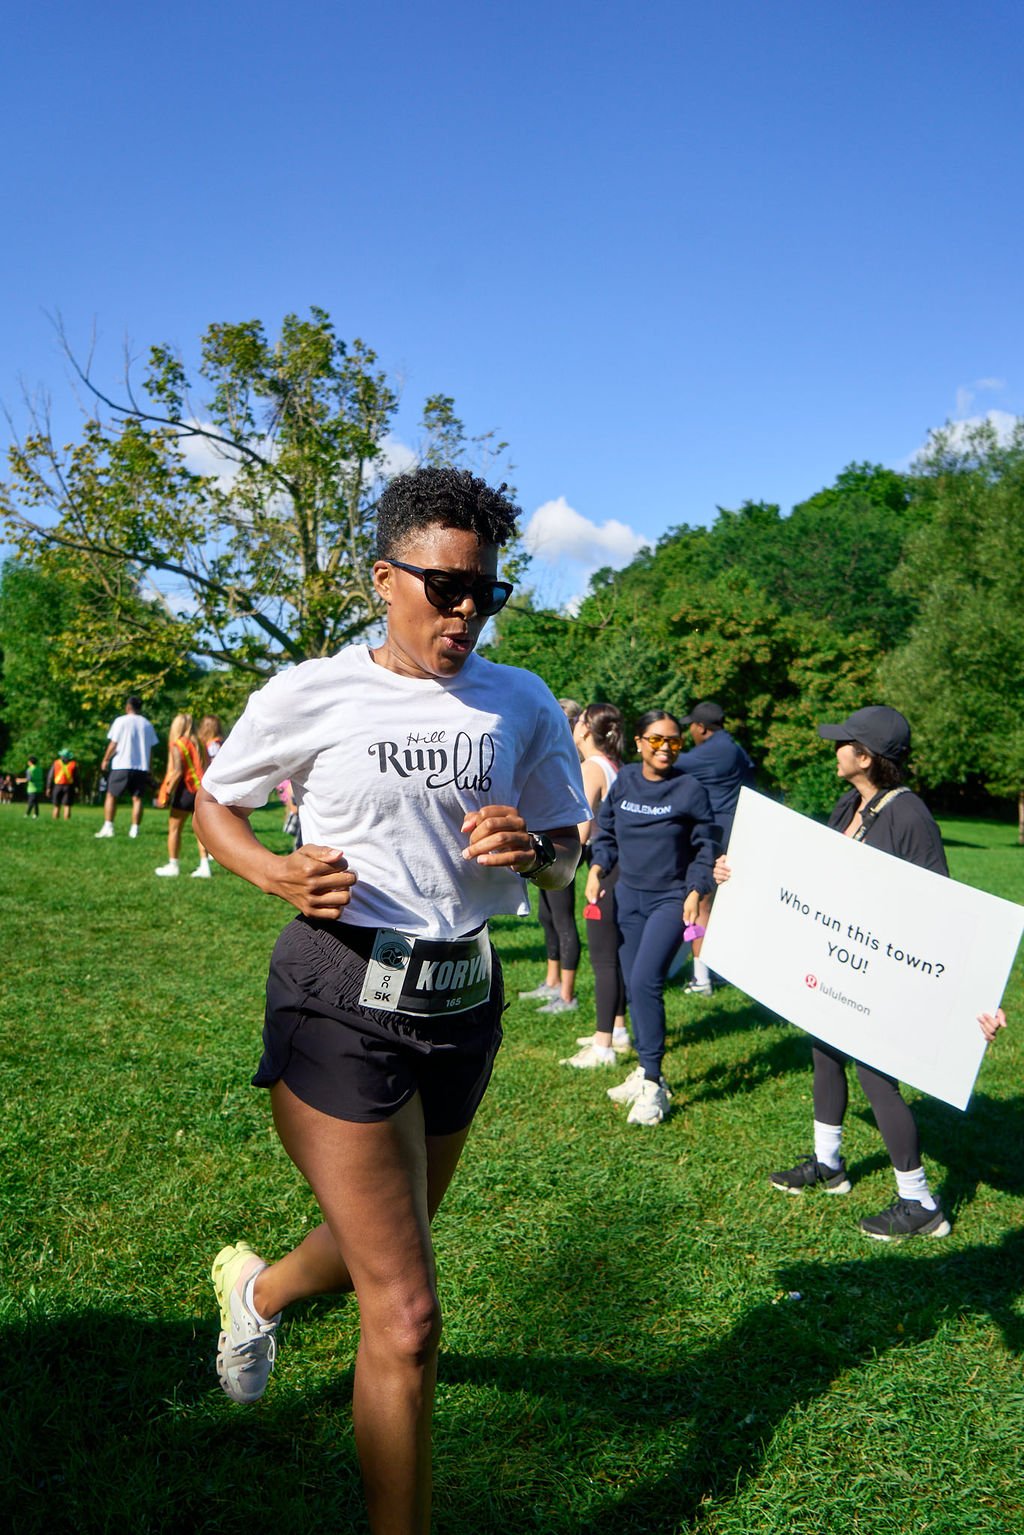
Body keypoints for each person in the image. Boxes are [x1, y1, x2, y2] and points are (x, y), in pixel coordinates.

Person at [193, 466, 587, 1535]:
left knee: (392, 1233)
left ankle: (259, 1292)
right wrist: (271, 871)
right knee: (406, 1315)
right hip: (337, 991)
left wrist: (537, 855)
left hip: (462, 995)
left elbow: (562, 848)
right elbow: (213, 800)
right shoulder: (311, 690)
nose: (465, 613)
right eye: (444, 588)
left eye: (485, 594)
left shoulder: (523, 699)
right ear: (383, 578)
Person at [714, 704, 1008, 1240]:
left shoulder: (908, 815)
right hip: (840, 965)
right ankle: (830, 1166)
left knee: (877, 1076)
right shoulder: (852, 801)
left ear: (865, 756)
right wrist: (738, 872)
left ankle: (921, 1203)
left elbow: (947, 909)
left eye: (842, 743)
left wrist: (975, 998)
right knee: (824, 1053)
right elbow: (818, 874)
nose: (835, 749)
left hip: (884, 974)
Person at [585, 710, 717, 1125]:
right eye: (657, 740)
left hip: (671, 900)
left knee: (645, 983)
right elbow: (605, 832)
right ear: (639, 743)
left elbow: (705, 848)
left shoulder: (690, 790)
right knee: (633, 981)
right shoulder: (625, 782)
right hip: (629, 898)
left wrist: (696, 889)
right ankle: (644, 1069)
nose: (665, 748)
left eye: (674, 741)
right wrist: (596, 867)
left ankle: (655, 1084)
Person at [562, 702, 631, 1066]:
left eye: (578, 721)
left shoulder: (591, 767)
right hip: (622, 868)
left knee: (603, 958)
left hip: (602, 870)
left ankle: (603, 1046)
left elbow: (582, 828)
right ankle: (617, 1029)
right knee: (615, 954)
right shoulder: (613, 765)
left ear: (586, 730)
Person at [676, 700, 756, 996]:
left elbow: (669, 762)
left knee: (701, 902)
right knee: (719, 905)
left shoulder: (712, 751)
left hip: (715, 834)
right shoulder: (734, 748)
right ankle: (718, 971)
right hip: (734, 831)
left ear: (701, 728)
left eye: (691, 728)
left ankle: (702, 978)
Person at [518, 698, 584, 1015]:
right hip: (545, 848)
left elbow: (579, 817)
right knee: (547, 918)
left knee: (563, 920)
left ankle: (567, 996)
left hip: (564, 852)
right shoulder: (553, 758)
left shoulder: (574, 762)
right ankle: (552, 980)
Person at [155, 713, 212, 878]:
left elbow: (178, 771)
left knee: (174, 829)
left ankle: (173, 865)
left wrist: (166, 792)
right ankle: (204, 865)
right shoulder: (200, 743)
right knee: (200, 829)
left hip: (185, 791)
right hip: (201, 790)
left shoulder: (178, 744)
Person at [95, 696, 159, 839]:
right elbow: (151, 750)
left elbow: (114, 743)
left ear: (128, 706)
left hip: (122, 764)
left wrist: (105, 759)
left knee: (111, 795)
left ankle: (108, 826)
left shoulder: (120, 721)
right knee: (137, 798)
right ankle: (134, 829)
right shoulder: (147, 724)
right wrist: (150, 768)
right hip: (141, 766)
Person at [47, 748, 78, 820]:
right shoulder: (73, 764)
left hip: (57, 786)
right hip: (68, 787)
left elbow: (50, 776)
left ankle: (55, 819)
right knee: (67, 805)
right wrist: (77, 787)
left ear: (61, 756)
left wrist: (48, 787)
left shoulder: (56, 763)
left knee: (56, 805)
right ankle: (66, 820)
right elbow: (76, 778)